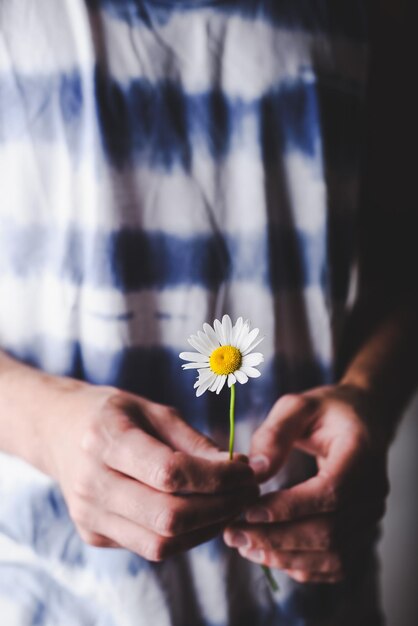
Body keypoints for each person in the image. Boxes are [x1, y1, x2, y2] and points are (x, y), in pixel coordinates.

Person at [0, 1, 417, 625]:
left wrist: (369, 397)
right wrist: (43, 425)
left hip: (318, 596)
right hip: (48, 595)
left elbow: (402, 253)